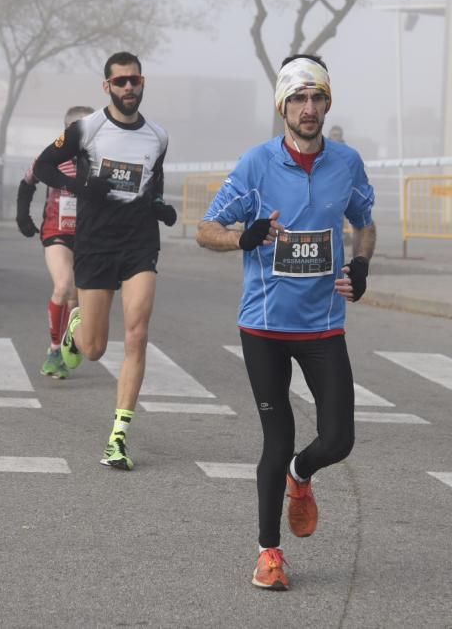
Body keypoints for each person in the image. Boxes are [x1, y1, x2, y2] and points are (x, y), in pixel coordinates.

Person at [196, 54, 376, 592]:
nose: (308, 108)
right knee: (277, 442)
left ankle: (302, 476)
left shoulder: (347, 162)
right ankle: (269, 554)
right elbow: (207, 229)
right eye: (298, 98)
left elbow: (364, 225)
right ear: (282, 106)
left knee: (339, 439)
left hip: (323, 325)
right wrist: (242, 238)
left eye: (317, 97)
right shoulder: (256, 164)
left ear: (326, 104)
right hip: (265, 327)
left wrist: (361, 266)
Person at [33, 51, 178, 472]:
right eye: (120, 82)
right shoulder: (88, 128)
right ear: (107, 87)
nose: (128, 88)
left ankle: (118, 436)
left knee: (136, 334)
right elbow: (44, 166)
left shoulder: (158, 136)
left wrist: (158, 206)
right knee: (94, 350)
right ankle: (75, 326)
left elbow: (155, 179)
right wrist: (81, 185)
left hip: (138, 244)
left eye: (134, 80)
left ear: (142, 82)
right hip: (95, 242)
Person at [17, 105, 94, 378]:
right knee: (62, 286)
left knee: (75, 298)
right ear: (67, 131)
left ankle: (64, 346)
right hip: (56, 232)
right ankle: (53, 351)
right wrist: (22, 216)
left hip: (87, 236)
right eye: (78, 127)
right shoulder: (51, 157)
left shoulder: (99, 161)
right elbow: (28, 181)